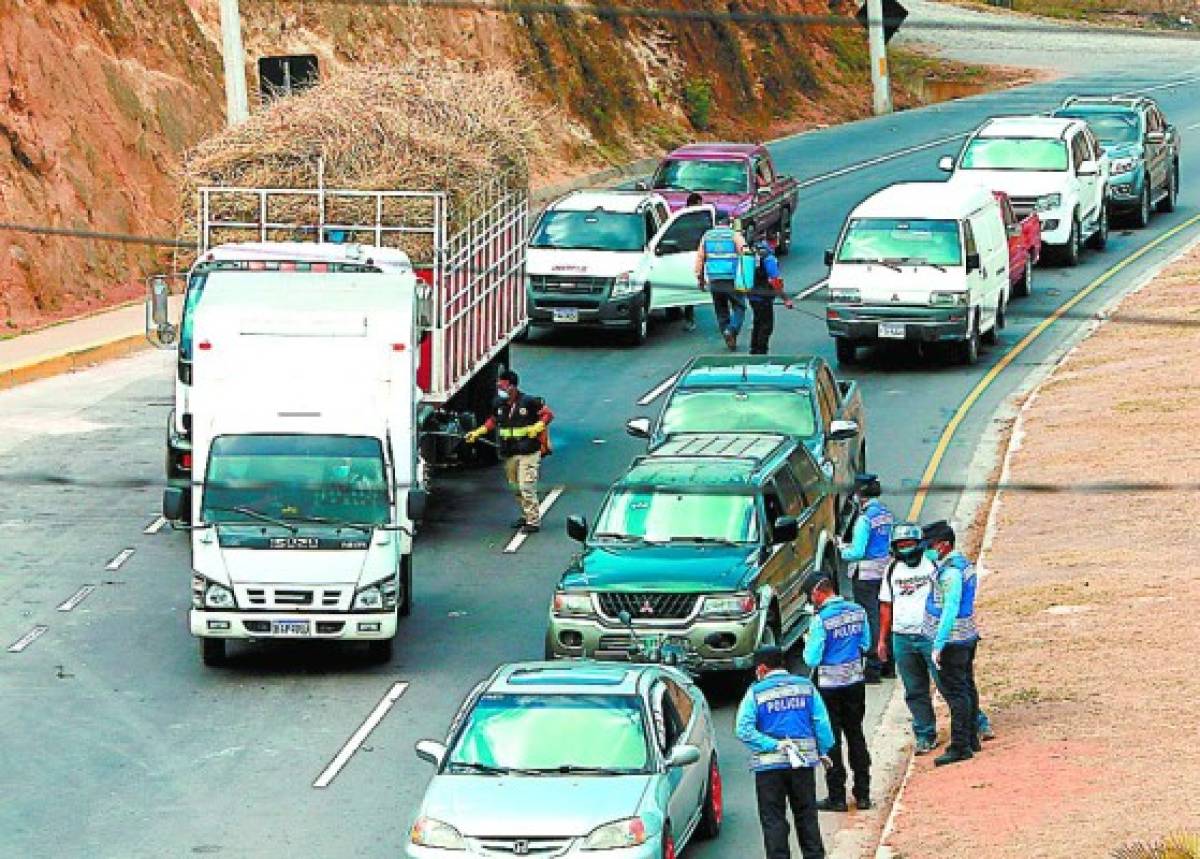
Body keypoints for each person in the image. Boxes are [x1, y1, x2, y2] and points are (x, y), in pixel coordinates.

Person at [878, 523, 994, 755]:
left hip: (931, 636)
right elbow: (886, 605)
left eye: (911, 545)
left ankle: (975, 724)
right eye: (901, 546)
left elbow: (950, 605)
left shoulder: (937, 566)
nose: (906, 550)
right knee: (914, 689)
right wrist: (883, 639)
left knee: (950, 686)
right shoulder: (892, 571)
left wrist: (940, 642)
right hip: (902, 637)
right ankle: (925, 734)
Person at [736, 645, 835, 859]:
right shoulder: (806, 687)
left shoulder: (756, 692)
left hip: (769, 768)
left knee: (773, 821)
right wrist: (823, 750)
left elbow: (743, 730)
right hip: (802, 765)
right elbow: (822, 724)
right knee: (807, 816)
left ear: (762, 668)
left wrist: (772, 744)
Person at [802, 571, 873, 812]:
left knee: (831, 741)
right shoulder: (857, 610)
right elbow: (866, 644)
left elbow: (812, 659)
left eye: (810, 597)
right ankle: (863, 794)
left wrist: (807, 641)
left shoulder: (820, 620)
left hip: (829, 688)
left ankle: (837, 797)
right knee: (856, 735)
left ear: (817, 593)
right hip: (855, 682)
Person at [921, 520, 983, 766]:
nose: (927, 550)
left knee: (956, 692)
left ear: (944, 546)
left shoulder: (951, 573)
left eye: (931, 545)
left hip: (953, 640)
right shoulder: (960, 564)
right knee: (967, 687)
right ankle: (970, 737)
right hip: (966, 636)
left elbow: (949, 609)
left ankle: (961, 745)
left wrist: (938, 644)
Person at [464, 369, 553, 534]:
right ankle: (526, 515)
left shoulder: (529, 402)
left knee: (526, 486)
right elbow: (493, 420)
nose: (500, 389)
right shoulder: (499, 404)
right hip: (510, 452)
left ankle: (533, 521)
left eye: (503, 386)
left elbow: (547, 414)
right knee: (515, 487)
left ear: (512, 387)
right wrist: (478, 432)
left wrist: (538, 426)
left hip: (528, 451)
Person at [838, 473, 895, 682]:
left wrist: (842, 548)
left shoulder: (864, 519)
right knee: (885, 615)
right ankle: (889, 664)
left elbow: (858, 551)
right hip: (885, 571)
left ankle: (873, 666)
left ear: (860, 494)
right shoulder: (885, 514)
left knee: (870, 617)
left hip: (866, 575)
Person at [694, 215, 748, 350]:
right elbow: (746, 254)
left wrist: (700, 279)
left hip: (714, 279)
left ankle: (726, 332)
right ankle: (732, 329)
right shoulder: (734, 235)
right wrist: (747, 279)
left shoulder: (707, 236)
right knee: (739, 306)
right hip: (731, 279)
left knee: (721, 309)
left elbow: (700, 259)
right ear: (728, 222)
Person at [748, 231, 794, 355]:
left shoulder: (752, 253)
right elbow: (775, 280)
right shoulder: (769, 258)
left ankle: (754, 351)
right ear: (774, 241)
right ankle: (761, 353)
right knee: (766, 326)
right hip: (764, 297)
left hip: (751, 295)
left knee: (757, 323)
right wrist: (786, 299)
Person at [680, 192, 706, 332]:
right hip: (687, 255)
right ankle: (688, 318)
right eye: (699, 203)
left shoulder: (689, 217)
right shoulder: (688, 218)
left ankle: (688, 318)